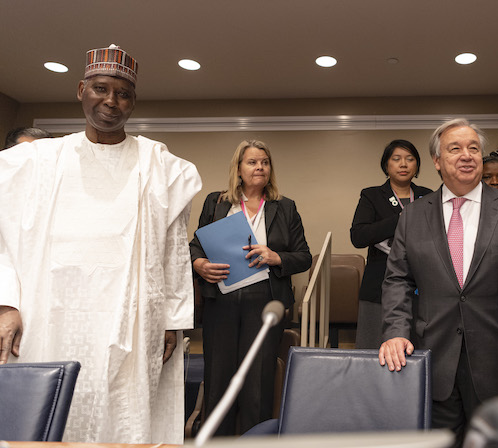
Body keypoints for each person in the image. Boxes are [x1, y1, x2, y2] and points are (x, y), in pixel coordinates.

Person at [0, 44, 201, 443]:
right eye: (101, 89)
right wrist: (7, 302)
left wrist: (172, 320)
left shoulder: (160, 165)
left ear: (133, 102)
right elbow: (3, 234)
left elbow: (174, 252)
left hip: (134, 316)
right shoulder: (39, 161)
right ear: (81, 90)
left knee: (124, 414)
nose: (111, 101)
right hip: (50, 316)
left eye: (123, 93)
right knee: (52, 415)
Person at [379, 118, 498, 445]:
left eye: (474, 148)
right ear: (437, 161)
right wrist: (395, 331)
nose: (467, 155)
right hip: (435, 356)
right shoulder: (413, 216)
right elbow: (397, 279)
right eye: (455, 148)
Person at [190, 140, 312, 435]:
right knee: (219, 377)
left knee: (258, 380)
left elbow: (304, 256)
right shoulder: (216, 202)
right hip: (221, 300)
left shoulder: (285, 207)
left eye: (265, 162)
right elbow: (195, 246)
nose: (259, 167)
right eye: (252, 162)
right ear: (239, 169)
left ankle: (253, 440)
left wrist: (276, 256)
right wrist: (199, 265)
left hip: (264, 301)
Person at [350, 140, 432, 349]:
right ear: (386, 166)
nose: (403, 164)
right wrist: (402, 218)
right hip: (379, 285)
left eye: (410, 159)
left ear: (417, 166)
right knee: (374, 350)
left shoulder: (428, 196)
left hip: (423, 285)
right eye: (396, 159)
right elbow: (358, 237)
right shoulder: (372, 195)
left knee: (417, 351)